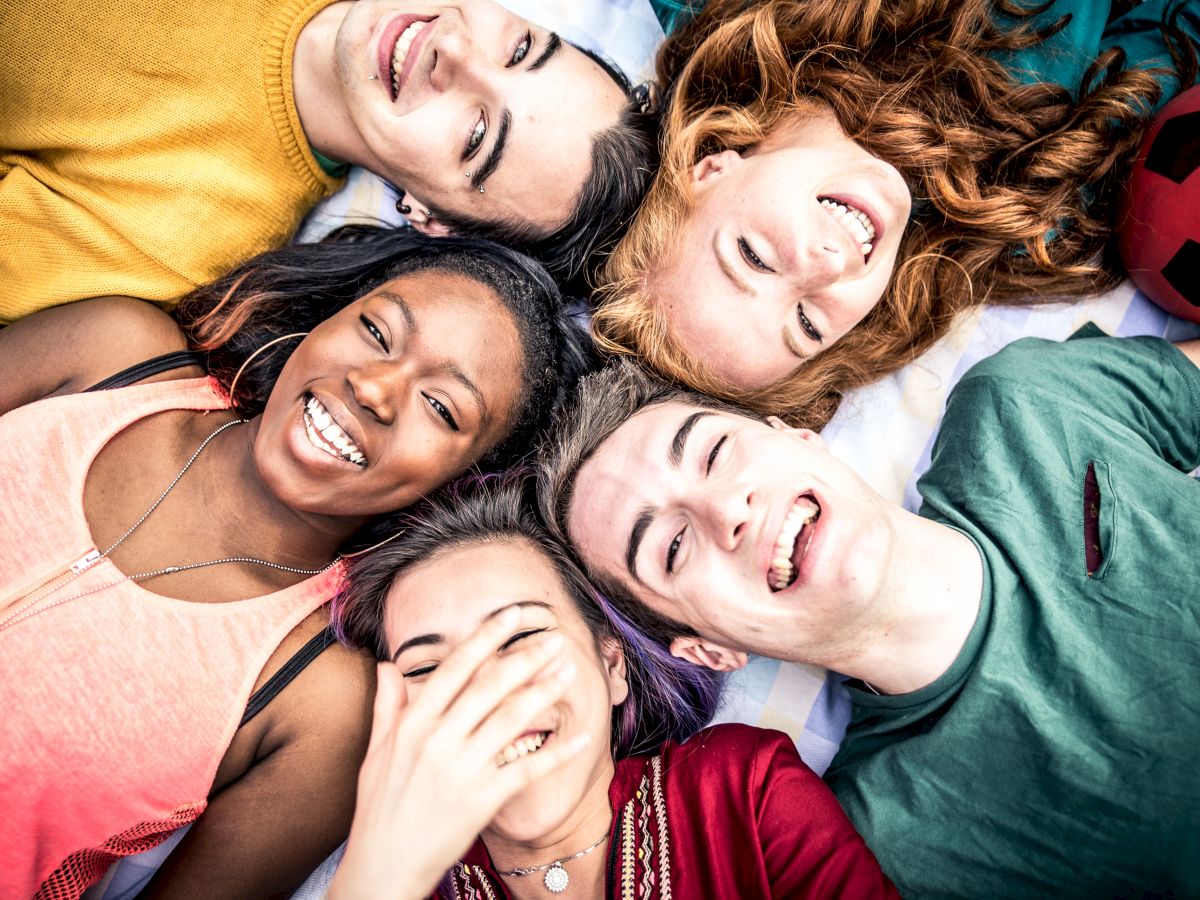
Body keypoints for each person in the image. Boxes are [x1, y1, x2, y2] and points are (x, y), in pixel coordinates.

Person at [0, 228, 584, 900]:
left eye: (441, 407)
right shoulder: (111, 353)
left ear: (459, 482)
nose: (375, 388)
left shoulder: (323, 701)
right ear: (327, 315)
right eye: (376, 330)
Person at [535, 330, 1200, 896]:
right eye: (672, 547)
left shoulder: (1025, 401)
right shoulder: (893, 847)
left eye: (713, 452)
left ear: (799, 437)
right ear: (709, 650)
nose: (726, 509)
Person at [591, 0, 1200, 428]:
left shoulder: (724, 17)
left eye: (753, 256)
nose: (826, 266)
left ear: (708, 169)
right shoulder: (1031, 207)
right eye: (807, 325)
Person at [325, 476, 897, 899]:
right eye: (427, 669)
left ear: (612, 664)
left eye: (520, 634)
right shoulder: (384, 879)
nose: (486, 693)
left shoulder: (741, 791)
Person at [0, 0, 656, 324]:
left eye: (476, 133)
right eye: (518, 50)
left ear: (431, 218)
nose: (453, 51)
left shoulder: (170, 242)